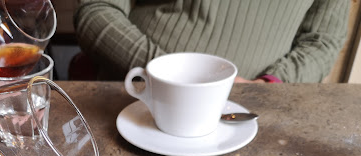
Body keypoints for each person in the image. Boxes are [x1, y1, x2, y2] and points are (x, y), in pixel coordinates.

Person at [73, 0, 350, 82]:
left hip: (256, 112)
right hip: (138, 94)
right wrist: (167, 72)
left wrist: (267, 87)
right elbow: (96, 10)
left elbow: (323, 40)